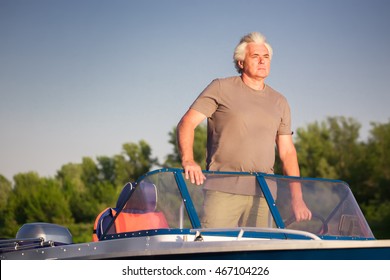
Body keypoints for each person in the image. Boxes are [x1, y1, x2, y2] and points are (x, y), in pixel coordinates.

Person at [177, 32, 312, 228]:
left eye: (266, 57)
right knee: (214, 250)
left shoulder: (280, 101)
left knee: (259, 254)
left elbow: (288, 152)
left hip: (264, 194)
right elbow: (186, 123)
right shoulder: (220, 87)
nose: (262, 61)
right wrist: (188, 160)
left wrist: (297, 198)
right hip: (223, 190)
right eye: (255, 56)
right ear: (241, 62)